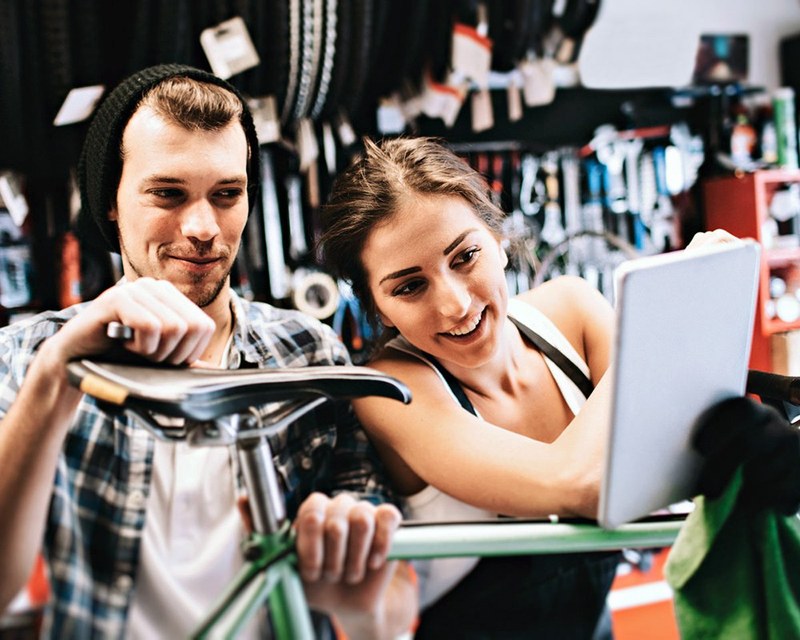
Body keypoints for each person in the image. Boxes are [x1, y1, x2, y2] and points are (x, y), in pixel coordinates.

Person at [319, 136, 800, 638]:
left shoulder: (571, 312)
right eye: (410, 286)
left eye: (464, 257)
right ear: (378, 308)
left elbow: (670, 463)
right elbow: (573, 484)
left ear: (500, 240)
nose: (455, 305)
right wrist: (667, 323)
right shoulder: (389, 392)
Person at [0, 65, 418, 639]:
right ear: (112, 201)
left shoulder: (308, 355)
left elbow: (390, 612)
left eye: (227, 194)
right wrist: (55, 377)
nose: (202, 228)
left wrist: (356, 601)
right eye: (167, 194)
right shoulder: (26, 355)